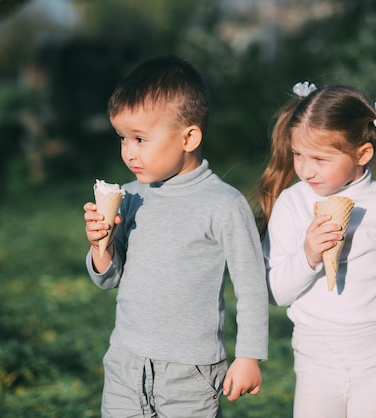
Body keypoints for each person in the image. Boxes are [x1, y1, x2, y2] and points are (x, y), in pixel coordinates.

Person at [83, 56, 269, 418]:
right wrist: (99, 246)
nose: (128, 151)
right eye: (122, 138)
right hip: (125, 362)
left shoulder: (224, 205)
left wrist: (248, 356)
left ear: (189, 137)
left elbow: (251, 288)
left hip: (190, 373)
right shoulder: (130, 195)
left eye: (140, 138)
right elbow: (109, 278)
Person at [258, 81, 376, 418]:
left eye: (321, 158)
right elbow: (274, 293)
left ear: (363, 154)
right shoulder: (292, 203)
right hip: (315, 358)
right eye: (298, 154)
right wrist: (307, 256)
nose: (306, 169)